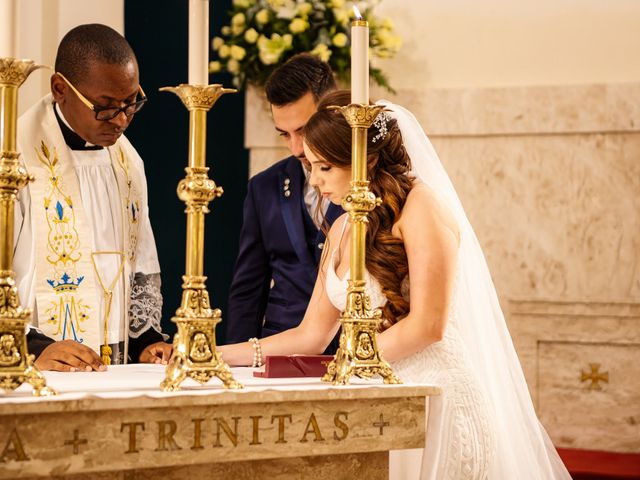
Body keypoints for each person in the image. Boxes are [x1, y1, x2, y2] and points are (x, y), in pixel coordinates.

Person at [219, 90, 572, 479]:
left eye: (325, 168)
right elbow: (309, 336)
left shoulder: (421, 207)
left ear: (365, 160)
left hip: (434, 399)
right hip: (375, 402)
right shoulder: (340, 228)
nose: (315, 181)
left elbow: (429, 325)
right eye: (312, 168)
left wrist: (345, 365)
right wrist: (218, 356)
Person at [14, 24, 172, 372]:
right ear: (60, 89)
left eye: (131, 104)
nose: (120, 121)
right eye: (104, 107)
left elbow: (138, 260)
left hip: (111, 367)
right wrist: (31, 347)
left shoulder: (128, 161)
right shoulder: (13, 156)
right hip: (34, 366)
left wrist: (145, 341)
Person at [226, 53, 342, 351]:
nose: (297, 147)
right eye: (285, 134)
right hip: (278, 348)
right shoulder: (263, 187)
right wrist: (236, 365)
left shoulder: (371, 184)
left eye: (303, 130)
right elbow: (248, 289)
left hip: (355, 351)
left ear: (333, 108)